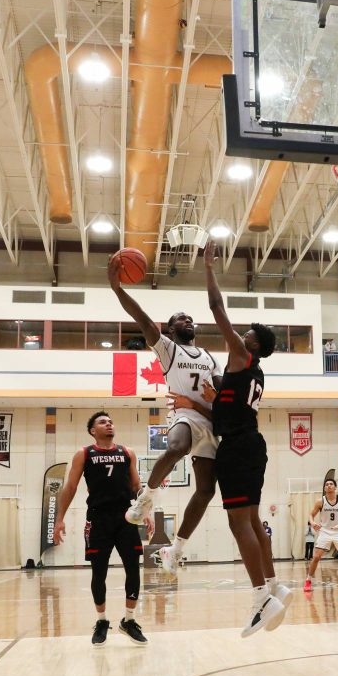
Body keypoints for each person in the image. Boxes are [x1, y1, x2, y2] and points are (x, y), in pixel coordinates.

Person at [188, 246, 291, 635]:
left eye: (244, 334)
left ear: (252, 345)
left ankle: (262, 599)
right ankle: (274, 583)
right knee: (250, 519)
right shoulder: (256, 374)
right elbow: (228, 406)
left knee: (238, 523)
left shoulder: (241, 356)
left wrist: (210, 268)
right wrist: (212, 398)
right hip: (252, 444)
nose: (237, 335)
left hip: (237, 446)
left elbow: (217, 309)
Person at [108, 254, 221, 577]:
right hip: (185, 416)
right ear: (171, 330)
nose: (187, 320)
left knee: (206, 491)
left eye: (189, 318)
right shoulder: (170, 350)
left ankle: (177, 549)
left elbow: (222, 392)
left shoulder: (210, 357)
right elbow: (142, 318)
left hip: (210, 421)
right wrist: (118, 291)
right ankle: (147, 497)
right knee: (175, 447)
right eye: (179, 319)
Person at [52, 411, 150, 646]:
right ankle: (102, 620)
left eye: (111, 421)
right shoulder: (84, 454)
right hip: (98, 518)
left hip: (126, 517)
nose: (109, 424)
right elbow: (71, 487)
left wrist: (145, 511)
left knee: (133, 569)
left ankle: (129, 620)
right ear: (92, 431)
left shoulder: (127, 453)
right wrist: (59, 518)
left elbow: (136, 486)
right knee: (99, 572)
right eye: (102, 422)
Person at [304, 477, 338, 592]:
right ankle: (308, 581)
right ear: (324, 488)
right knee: (316, 557)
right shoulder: (320, 501)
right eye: (327, 484)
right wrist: (313, 523)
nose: (328, 485)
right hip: (325, 531)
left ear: (335, 487)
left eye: (331, 484)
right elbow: (311, 515)